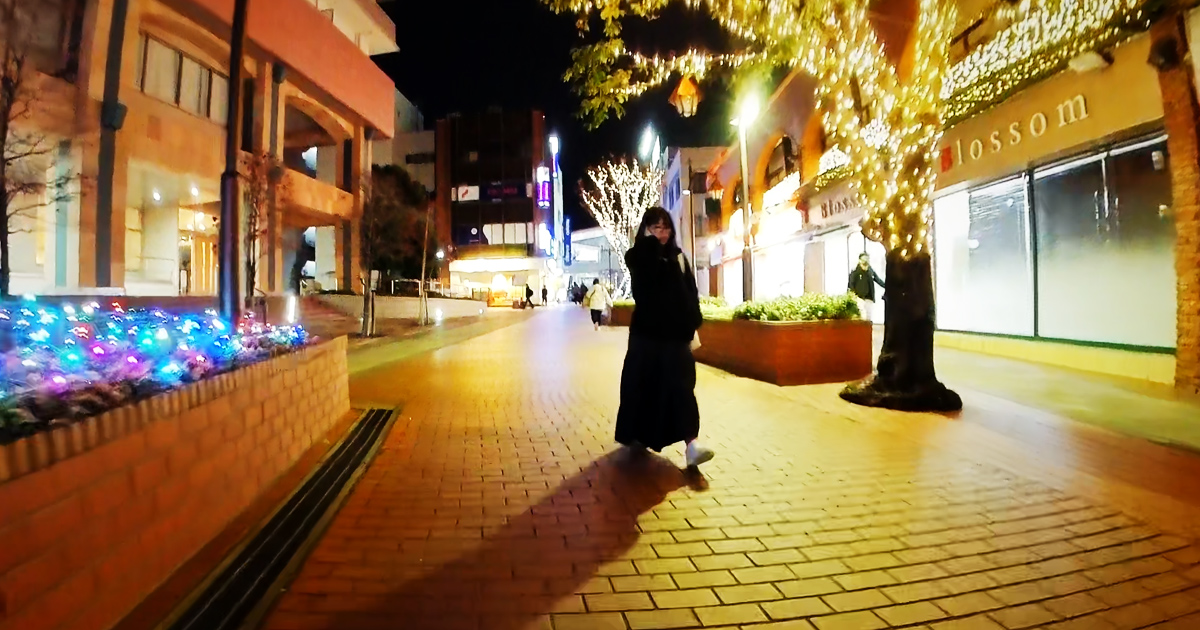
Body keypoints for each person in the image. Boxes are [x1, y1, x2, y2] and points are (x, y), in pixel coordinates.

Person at [616, 206, 713, 469]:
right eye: (655, 228)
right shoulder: (639, 256)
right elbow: (645, 284)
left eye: (665, 227)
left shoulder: (679, 257)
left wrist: (693, 321)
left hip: (676, 338)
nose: (662, 233)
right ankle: (638, 434)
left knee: (682, 390)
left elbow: (690, 293)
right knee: (643, 388)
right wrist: (652, 246)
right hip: (647, 338)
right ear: (646, 230)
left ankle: (691, 444)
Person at [848, 252, 885, 322]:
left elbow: (878, 280)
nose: (866, 261)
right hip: (859, 298)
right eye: (864, 259)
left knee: (868, 317)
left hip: (869, 298)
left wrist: (888, 287)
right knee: (862, 316)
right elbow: (851, 285)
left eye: (867, 259)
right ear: (860, 260)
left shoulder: (870, 271)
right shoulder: (855, 272)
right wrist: (852, 297)